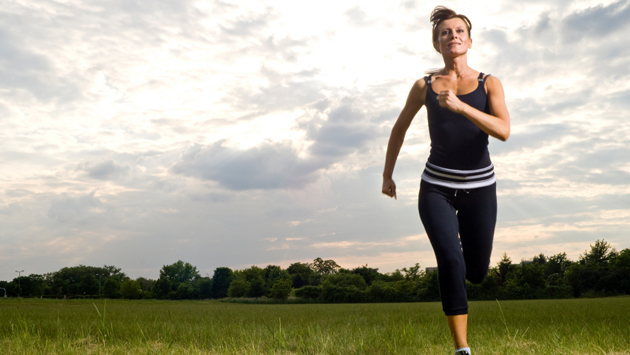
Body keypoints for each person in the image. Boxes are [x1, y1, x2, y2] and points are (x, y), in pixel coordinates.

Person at [381, 6, 510, 355]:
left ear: (469, 40)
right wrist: (387, 174)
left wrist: (461, 107)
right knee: (451, 260)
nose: (452, 36)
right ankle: (462, 348)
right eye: (445, 33)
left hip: (481, 189)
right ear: (436, 43)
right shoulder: (424, 86)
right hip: (436, 187)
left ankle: (470, 274)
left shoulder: (489, 83)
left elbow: (503, 131)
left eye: (459, 32)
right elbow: (399, 128)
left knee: (478, 271)